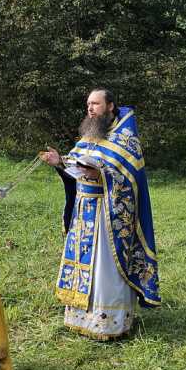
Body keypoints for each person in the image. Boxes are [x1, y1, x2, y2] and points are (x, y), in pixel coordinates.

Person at [41, 89, 160, 340]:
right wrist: (59, 162)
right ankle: (80, 315)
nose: (90, 108)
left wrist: (101, 175)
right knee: (84, 263)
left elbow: (130, 181)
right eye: (88, 104)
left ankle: (109, 322)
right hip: (83, 212)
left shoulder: (126, 141)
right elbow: (75, 167)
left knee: (105, 268)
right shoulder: (89, 136)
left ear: (110, 106)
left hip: (108, 215)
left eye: (95, 103)